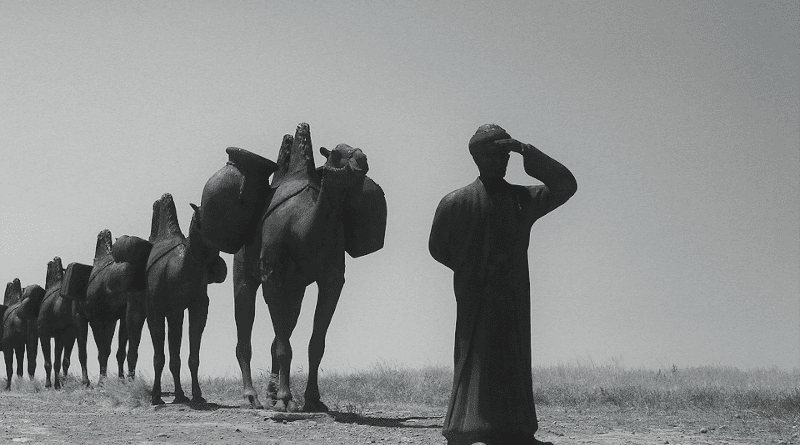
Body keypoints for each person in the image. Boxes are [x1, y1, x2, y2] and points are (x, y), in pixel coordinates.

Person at [429, 124, 577, 445]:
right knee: (476, 355)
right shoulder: (456, 202)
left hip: (512, 294)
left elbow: (565, 184)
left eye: (505, 154)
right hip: (476, 294)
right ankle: (467, 426)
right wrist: (471, 271)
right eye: (496, 154)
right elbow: (438, 247)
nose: (503, 160)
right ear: (478, 158)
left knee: (512, 354)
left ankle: (514, 427)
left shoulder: (521, 198)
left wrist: (528, 152)